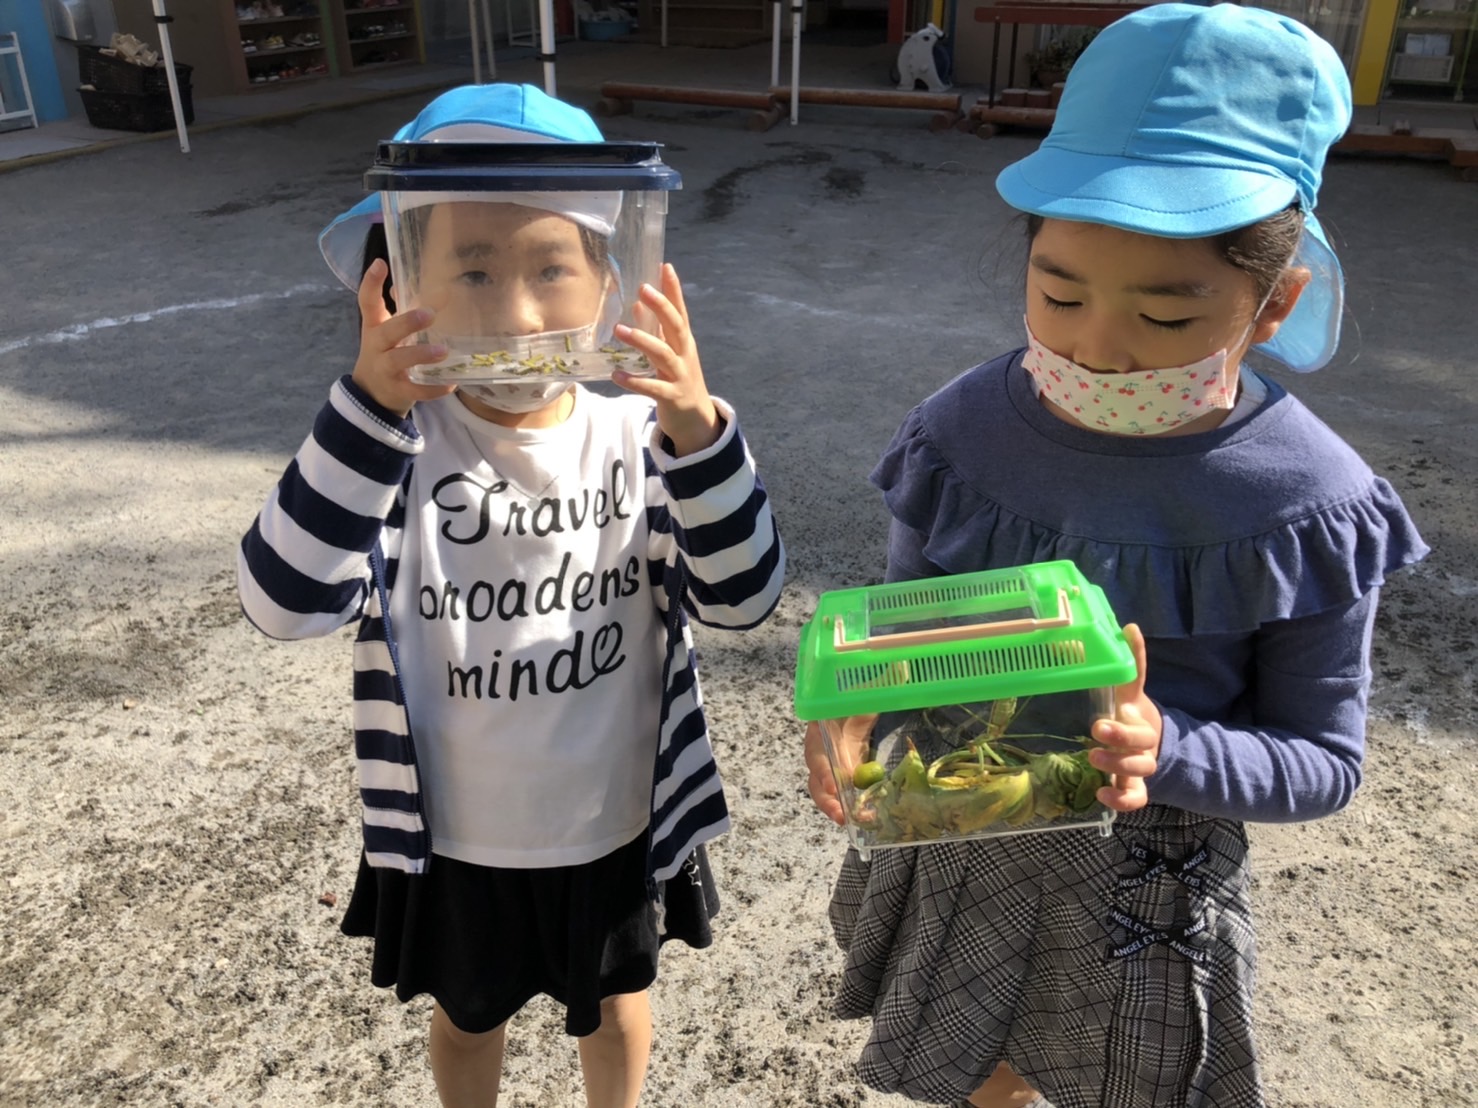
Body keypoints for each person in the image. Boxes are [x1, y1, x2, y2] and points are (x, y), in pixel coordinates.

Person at [802, 6, 1428, 1107]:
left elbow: (1322, 761)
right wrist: (854, 707)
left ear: (1273, 303)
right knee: (982, 1073)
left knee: (1127, 1076)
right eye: (1058, 293)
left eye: (1165, 316)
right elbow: (902, 628)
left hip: (1145, 884)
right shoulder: (963, 431)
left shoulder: (1308, 501)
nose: (1095, 347)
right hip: (965, 826)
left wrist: (1163, 744)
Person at [238, 83, 785, 1108]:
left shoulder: (642, 437)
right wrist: (366, 407)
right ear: (402, 281)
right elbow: (281, 601)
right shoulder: (391, 450)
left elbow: (744, 595)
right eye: (475, 270)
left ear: (609, 282)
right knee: (466, 1015)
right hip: (458, 833)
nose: (519, 314)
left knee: (618, 1004)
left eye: (552, 269)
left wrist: (698, 429)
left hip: (614, 816)